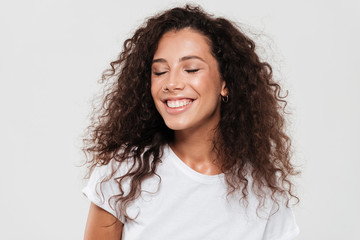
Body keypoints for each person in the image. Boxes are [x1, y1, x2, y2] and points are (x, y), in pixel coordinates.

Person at [82, 4, 300, 240]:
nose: (172, 83)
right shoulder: (123, 173)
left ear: (225, 83)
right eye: (159, 72)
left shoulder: (263, 188)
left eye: (191, 69)